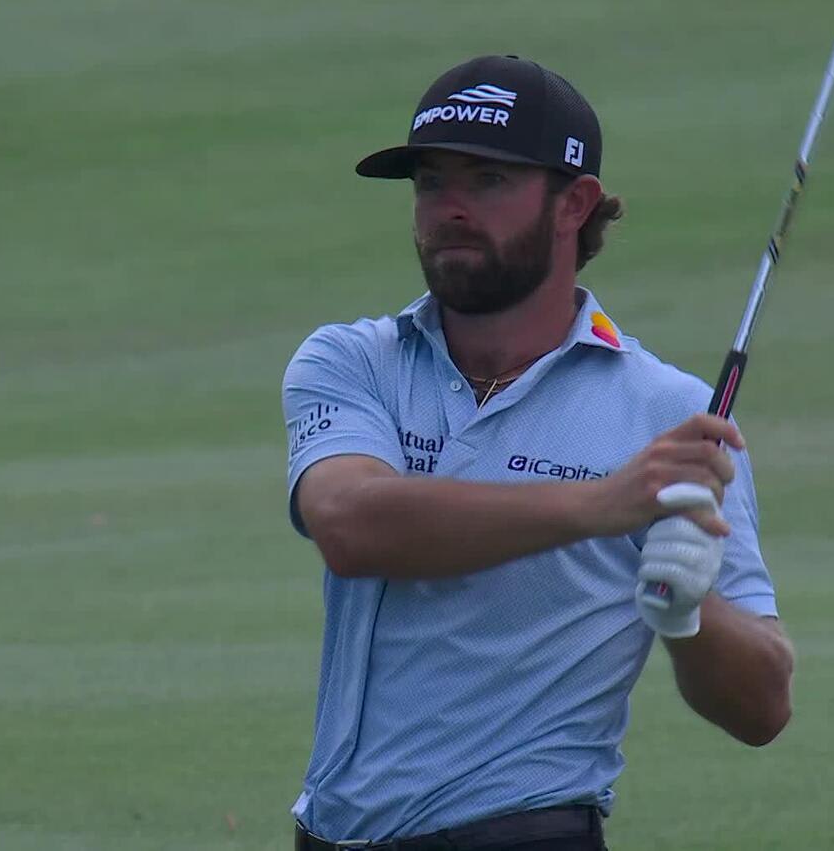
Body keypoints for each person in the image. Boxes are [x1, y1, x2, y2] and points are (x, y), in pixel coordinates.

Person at [281, 54, 793, 851]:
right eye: (430, 182)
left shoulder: (666, 412)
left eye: (486, 181)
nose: (448, 208)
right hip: (335, 834)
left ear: (574, 203)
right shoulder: (352, 362)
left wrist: (690, 615)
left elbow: (763, 706)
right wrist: (601, 506)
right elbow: (350, 524)